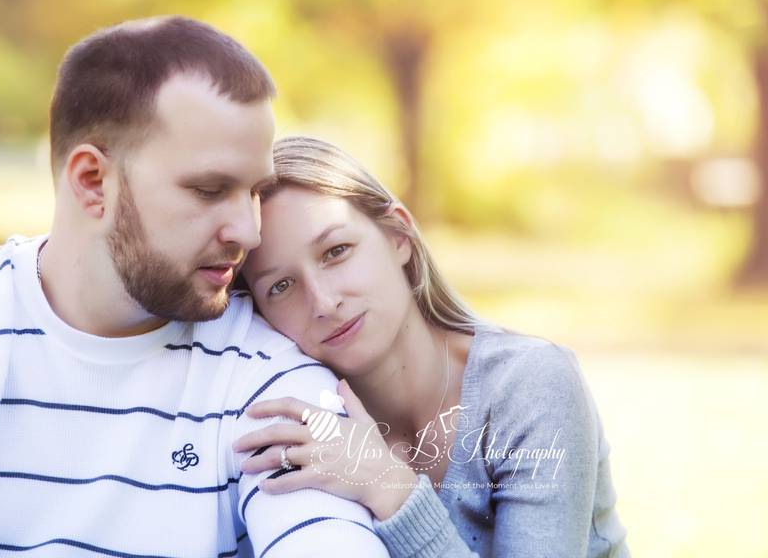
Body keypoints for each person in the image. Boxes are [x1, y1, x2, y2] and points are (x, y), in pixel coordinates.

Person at [0, 18, 389, 557]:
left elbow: (326, 541)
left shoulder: (274, 379)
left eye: (254, 191)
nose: (248, 230)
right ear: (93, 182)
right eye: (210, 189)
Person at [233, 136, 630, 557]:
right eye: (280, 286)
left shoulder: (531, 387)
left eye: (336, 251)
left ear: (398, 236)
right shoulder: (297, 424)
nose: (323, 302)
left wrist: (391, 490)